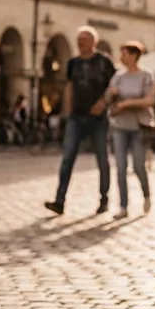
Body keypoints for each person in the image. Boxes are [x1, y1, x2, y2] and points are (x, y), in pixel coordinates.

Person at [45, 27, 116, 215]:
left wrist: (103, 103)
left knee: (102, 159)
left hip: (98, 119)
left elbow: (114, 86)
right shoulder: (73, 63)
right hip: (76, 118)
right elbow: (69, 86)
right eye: (79, 39)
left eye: (84, 39)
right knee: (67, 158)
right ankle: (59, 201)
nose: (80, 42)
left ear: (94, 42)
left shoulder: (104, 62)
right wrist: (67, 111)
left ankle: (104, 199)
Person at [105, 41, 155, 219]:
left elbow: (149, 100)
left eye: (124, 53)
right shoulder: (119, 76)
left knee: (139, 166)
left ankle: (146, 194)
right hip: (120, 126)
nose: (121, 56)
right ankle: (123, 206)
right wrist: (112, 94)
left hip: (138, 126)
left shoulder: (146, 75)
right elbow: (108, 96)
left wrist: (127, 103)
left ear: (134, 55)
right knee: (120, 167)